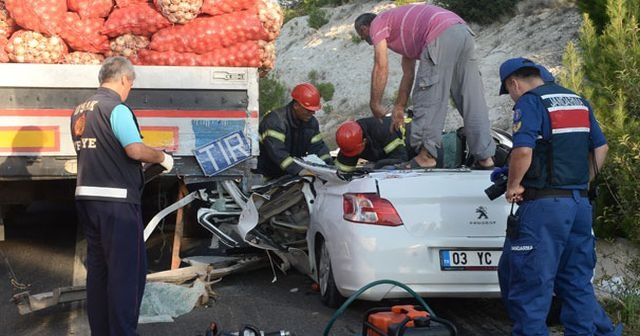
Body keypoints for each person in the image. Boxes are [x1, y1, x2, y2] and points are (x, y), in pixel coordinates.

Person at [496, 57, 620, 335]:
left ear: (513, 83)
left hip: (543, 207)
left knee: (531, 282)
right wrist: (580, 183)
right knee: (576, 282)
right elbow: (601, 149)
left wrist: (514, 184)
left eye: (509, 91)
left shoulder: (530, 102)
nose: (512, 97)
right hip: (579, 205)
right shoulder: (577, 100)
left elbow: (523, 150)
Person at [70, 56, 173, 336]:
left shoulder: (80, 111)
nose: (130, 89)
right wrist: (162, 157)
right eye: (131, 84)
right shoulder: (116, 109)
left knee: (99, 273)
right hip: (116, 203)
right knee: (126, 276)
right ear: (125, 79)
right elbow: (134, 150)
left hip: (87, 199)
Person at [354, 4, 495, 169]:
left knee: (427, 96)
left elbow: (380, 65)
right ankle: (485, 157)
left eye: (363, 37)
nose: (367, 42)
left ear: (365, 28)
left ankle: (426, 156)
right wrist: (399, 107)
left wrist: (375, 103)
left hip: (439, 33)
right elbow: (408, 74)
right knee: (471, 98)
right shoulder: (404, 31)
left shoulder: (378, 23)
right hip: (462, 31)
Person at [257, 83, 332, 179]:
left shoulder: (311, 123)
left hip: (290, 175)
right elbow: (278, 153)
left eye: (313, 110)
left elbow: (319, 148)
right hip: (266, 176)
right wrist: (300, 170)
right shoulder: (275, 121)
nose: (313, 113)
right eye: (308, 110)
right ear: (296, 105)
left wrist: (329, 168)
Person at [335, 117, 408, 172]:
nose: (354, 154)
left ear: (364, 141)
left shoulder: (383, 131)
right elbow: (342, 170)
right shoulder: (349, 142)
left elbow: (401, 158)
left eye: (356, 151)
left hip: (410, 146)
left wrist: (378, 166)